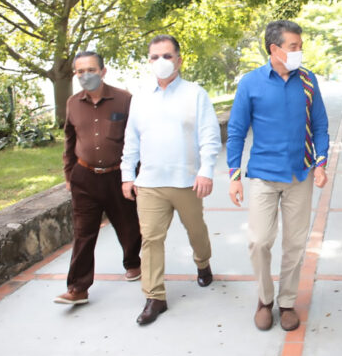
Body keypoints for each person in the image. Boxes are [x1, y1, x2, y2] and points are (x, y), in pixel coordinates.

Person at [227, 20, 329, 332]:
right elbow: (236, 130)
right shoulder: (251, 83)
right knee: (259, 241)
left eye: (300, 46)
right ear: (275, 49)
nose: (300, 52)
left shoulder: (308, 81)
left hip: (301, 175)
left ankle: (286, 303)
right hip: (262, 176)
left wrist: (321, 162)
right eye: (294, 47)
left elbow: (321, 124)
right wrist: (234, 175)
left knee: (295, 245)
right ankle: (264, 299)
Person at [121, 35, 221, 325]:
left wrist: (206, 171)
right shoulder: (140, 98)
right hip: (150, 183)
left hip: (187, 181)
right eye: (154, 57)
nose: (160, 62)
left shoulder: (195, 94)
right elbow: (132, 140)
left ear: (179, 59)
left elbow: (210, 136)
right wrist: (128, 175)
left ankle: (203, 263)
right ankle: (155, 297)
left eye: (167, 56)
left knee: (196, 230)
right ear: (149, 62)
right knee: (150, 239)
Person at [54, 51, 142, 305]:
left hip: (119, 176)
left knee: (129, 225)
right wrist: (69, 173)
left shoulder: (124, 100)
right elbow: (69, 140)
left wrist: (136, 174)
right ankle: (78, 288)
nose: (85, 76)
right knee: (83, 233)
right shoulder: (72, 103)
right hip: (85, 178)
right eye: (80, 71)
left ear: (103, 71)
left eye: (91, 70)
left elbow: (136, 139)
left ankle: (133, 262)